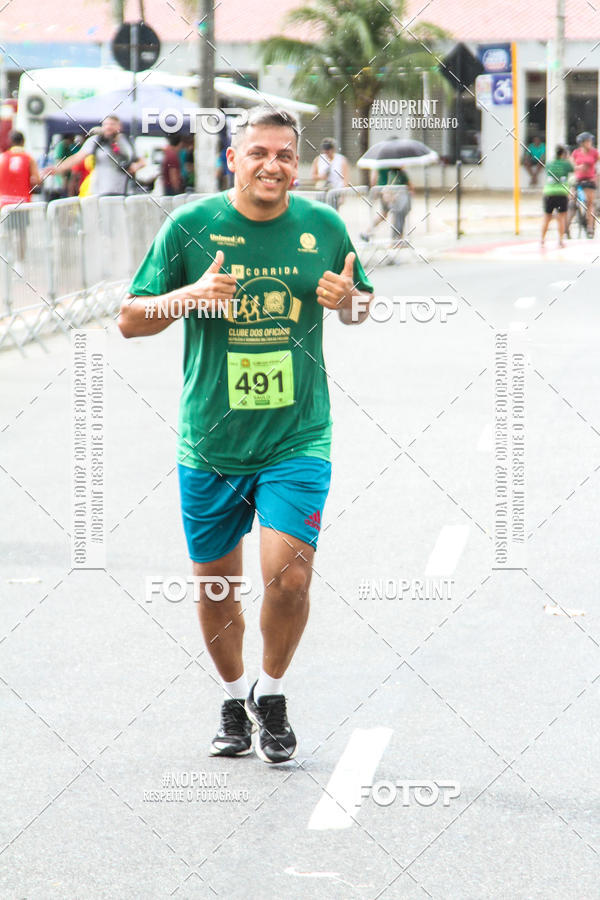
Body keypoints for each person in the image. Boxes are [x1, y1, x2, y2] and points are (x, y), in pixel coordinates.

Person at [118, 106, 374, 764]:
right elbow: (129, 319)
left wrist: (349, 302)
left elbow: (360, 307)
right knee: (216, 586)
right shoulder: (191, 227)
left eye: (285, 154)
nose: (272, 165)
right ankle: (234, 699)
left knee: (289, 577)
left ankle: (273, 692)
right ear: (233, 159)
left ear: (299, 164)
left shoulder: (323, 226)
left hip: (298, 436)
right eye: (258, 152)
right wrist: (189, 296)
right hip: (212, 441)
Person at [48, 115, 145, 196]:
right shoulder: (96, 141)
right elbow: (77, 157)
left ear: (119, 127)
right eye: (106, 124)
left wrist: (136, 166)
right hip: (101, 192)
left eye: (112, 124)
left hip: (124, 191)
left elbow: (142, 161)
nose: (108, 127)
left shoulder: (126, 142)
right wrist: (58, 168)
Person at [0, 130, 41, 269]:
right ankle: (19, 262)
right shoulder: (28, 158)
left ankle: (8, 257)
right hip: (21, 202)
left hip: (5, 202)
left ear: (10, 142)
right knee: (21, 232)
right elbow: (36, 179)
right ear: (23, 142)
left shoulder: (2, 157)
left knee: (7, 231)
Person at [361, 167, 413, 245]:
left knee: (384, 214)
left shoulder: (381, 165)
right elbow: (409, 184)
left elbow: (374, 178)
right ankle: (396, 239)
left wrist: (374, 191)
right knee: (396, 214)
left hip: (382, 190)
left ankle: (367, 232)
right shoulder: (397, 169)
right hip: (392, 192)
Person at [540, 145, 574, 249]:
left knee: (547, 217)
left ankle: (542, 240)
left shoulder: (550, 163)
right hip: (561, 193)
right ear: (564, 154)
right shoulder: (566, 164)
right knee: (561, 218)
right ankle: (560, 241)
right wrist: (569, 159)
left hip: (549, 193)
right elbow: (573, 169)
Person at [571, 131, 599, 237]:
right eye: (588, 141)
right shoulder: (576, 153)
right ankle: (568, 225)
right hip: (578, 180)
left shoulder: (594, 152)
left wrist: (596, 176)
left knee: (590, 204)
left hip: (590, 180)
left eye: (590, 141)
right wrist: (579, 167)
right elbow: (572, 165)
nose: (590, 143)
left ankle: (590, 227)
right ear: (582, 143)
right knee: (572, 200)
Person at [311, 138, 348, 209]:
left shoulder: (341, 160)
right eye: (325, 151)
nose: (326, 153)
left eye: (328, 150)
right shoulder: (318, 159)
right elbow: (313, 176)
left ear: (333, 149)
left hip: (336, 191)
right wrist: (320, 177)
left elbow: (345, 179)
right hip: (322, 191)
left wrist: (343, 195)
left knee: (333, 211)